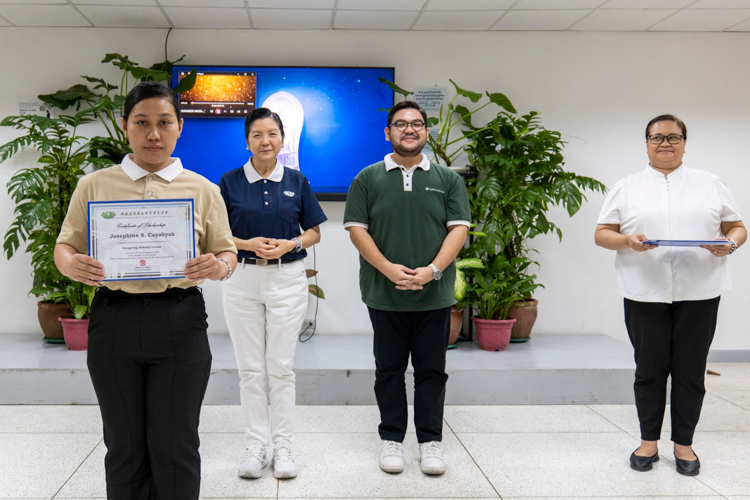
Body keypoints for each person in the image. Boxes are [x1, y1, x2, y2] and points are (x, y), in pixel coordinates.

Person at [54, 82, 237, 499]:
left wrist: (219, 265)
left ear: (179, 128)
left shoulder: (203, 189)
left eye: (163, 122)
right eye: (142, 123)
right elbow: (64, 244)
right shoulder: (95, 186)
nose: (153, 133)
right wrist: (70, 263)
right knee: (123, 443)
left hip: (180, 319)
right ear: (125, 127)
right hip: (113, 319)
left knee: (176, 443)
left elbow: (227, 252)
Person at [595, 114, 746, 476]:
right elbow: (602, 233)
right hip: (644, 291)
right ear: (646, 143)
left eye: (673, 137)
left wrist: (730, 244)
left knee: (690, 372)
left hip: (700, 291)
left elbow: (737, 227)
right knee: (649, 370)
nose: (665, 143)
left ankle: (684, 444)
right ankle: (648, 442)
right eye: (657, 137)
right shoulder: (626, 186)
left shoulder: (710, 184)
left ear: (684, 142)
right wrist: (628, 241)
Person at [343, 100, 470, 475]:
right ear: (388, 133)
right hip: (384, 293)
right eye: (400, 124)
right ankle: (392, 440)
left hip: (434, 293)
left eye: (417, 124)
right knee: (389, 370)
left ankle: (430, 442)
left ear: (426, 132)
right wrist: (387, 269)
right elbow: (356, 229)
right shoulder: (367, 177)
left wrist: (432, 270)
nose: (409, 130)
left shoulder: (448, 179)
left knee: (432, 370)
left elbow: (458, 229)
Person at [218, 107, 327, 479]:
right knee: (250, 369)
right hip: (242, 279)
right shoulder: (229, 182)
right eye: (257, 135)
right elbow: (217, 235)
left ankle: (283, 447)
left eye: (273, 134)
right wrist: (245, 242)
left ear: (283, 138)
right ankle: (255, 445)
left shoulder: (297, 180)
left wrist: (290, 243)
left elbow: (313, 232)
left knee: (280, 368)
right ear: (247, 140)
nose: (266, 141)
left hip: (287, 279)